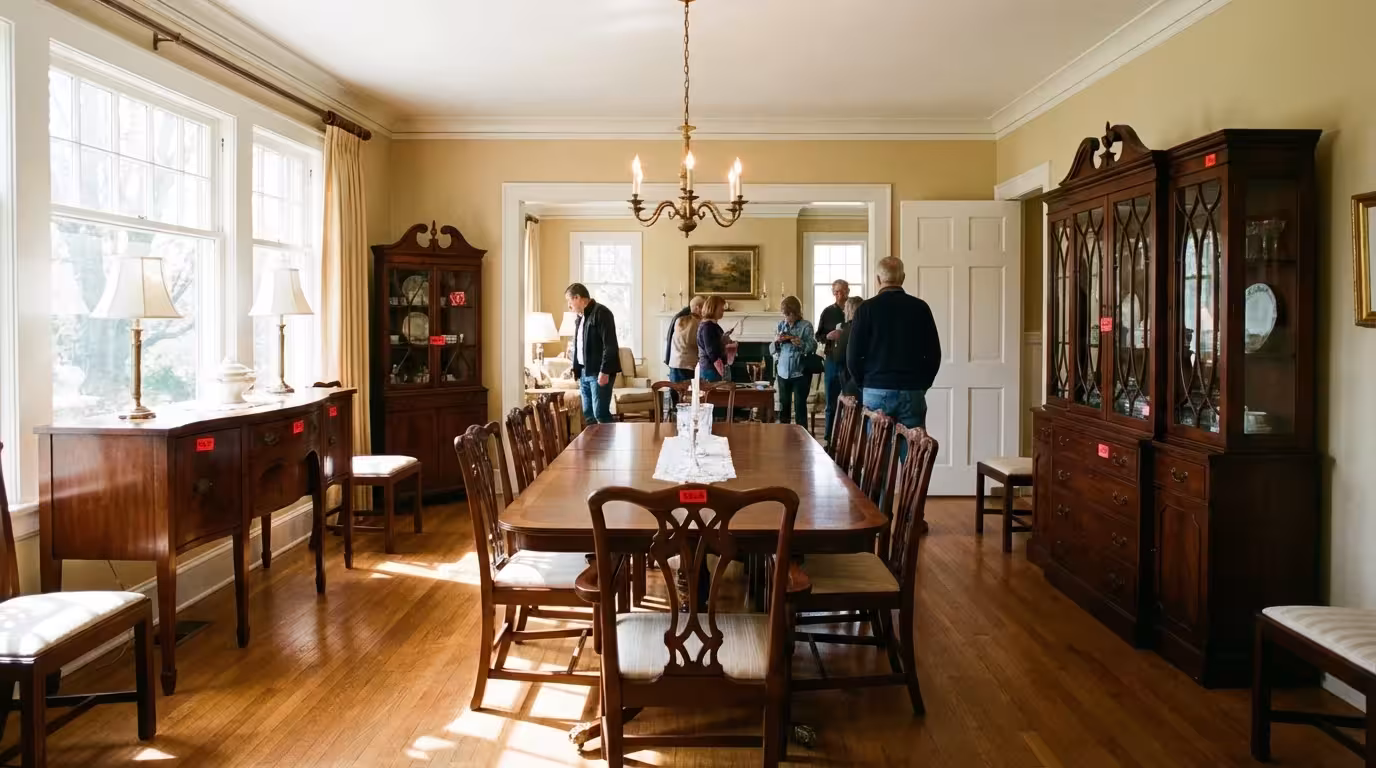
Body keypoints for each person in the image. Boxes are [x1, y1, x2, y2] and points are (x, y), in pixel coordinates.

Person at [846, 257, 940, 430]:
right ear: (903, 278)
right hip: (912, 389)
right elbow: (934, 354)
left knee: (878, 454)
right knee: (913, 455)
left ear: (878, 279)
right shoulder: (920, 308)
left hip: (875, 388)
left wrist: (864, 384)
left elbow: (852, 357)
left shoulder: (865, 309)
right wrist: (922, 385)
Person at [566, 282, 621, 425]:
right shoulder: (580, 318)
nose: (568, 305)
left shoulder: (602, 313)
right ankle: (593, 447)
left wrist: (604, 371)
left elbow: (610, 346)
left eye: (569, 300)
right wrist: (576, 369)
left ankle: (609, 447)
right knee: (588, 415)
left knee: (600, 414)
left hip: (599, 372)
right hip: (584, 372)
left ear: (578, 297)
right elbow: (579, 346)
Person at [770, 295, 817, 426]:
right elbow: (771, 350)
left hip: (800, 372)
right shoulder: (780, 325)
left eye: (789, 315)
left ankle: (802, 441)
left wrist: (800, 343)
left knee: (800, 407)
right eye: (785, 315)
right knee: (784, 407)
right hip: (782, 372)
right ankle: (784, 440)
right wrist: (777, 341)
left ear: (796, 312)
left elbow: (813, 346)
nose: (787, 318)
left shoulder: (806, 326)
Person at [817, 279, 850, 443]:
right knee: (831, 403)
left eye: (843, 291)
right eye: (836, 291)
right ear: (833, 293)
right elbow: (819, 336)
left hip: (849, 361)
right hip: (831, 359)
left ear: (848, 292)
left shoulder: (854, 310)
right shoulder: (827, 312)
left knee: (851, 402)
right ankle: (829, 439)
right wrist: (828, 336)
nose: (840, 294)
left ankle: (847, 440)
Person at [666, 295, 705, 383]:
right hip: (688, 365)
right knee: (688, 395)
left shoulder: (679, 320)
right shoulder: (697, 323)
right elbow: (696, 343)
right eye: (705, 307)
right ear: (698, 308)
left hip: (674, 363)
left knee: (676, 394)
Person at [833, 295, 865, 397]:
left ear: (850, 310)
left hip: (850, 376)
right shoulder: (869, 327)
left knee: (851, 409)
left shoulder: (846, 329)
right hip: (867, 376)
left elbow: (838, 357)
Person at [696, 296, 730, 383]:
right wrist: (721, 369)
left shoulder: (711, 325)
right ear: (713, 308)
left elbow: (715, 343)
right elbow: (711, 351)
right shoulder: (708, 326)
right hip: (710, 369)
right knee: (714, 396)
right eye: (721, 307)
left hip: (712, 368)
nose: (723, 310)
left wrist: (726, 341)